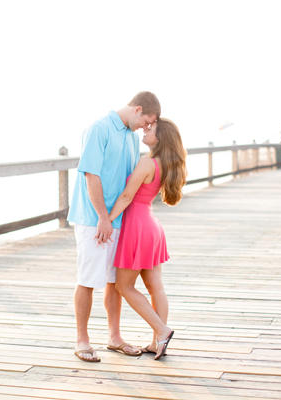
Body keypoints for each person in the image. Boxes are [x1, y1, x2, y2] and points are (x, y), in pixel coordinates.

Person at [67, 92, 161, 362]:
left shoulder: (132, 136)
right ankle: (82, 341)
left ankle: (114, 337)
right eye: (147, 121)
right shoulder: (99, 129)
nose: (146, 127)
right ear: (138, 109)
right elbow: (91, 174)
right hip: (93, 220)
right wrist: (103, 217)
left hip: (120, 220)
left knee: (113, 282)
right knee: (87, 280)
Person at [108, 118, 188, 360]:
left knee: (123, 286)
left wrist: (107, 221)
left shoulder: (146, 163)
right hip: (152, 227)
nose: (145, 129)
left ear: (160, 137)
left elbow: (125, 197)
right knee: (156, 288)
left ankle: (162, 331)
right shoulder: (167, 164)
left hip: (137, 228)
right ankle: (157, 342)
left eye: (150, 128)